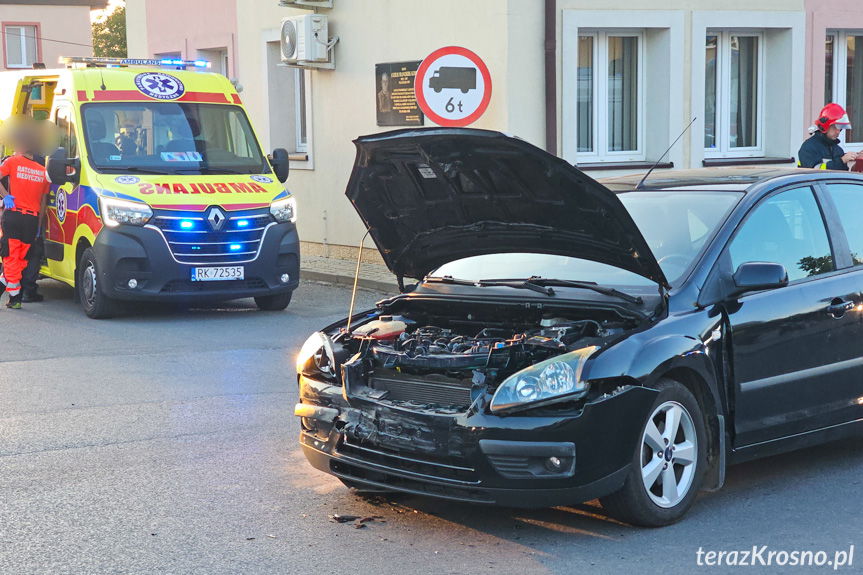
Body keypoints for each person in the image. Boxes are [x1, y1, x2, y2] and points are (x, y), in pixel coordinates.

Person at [0, 120, 50, 309]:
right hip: (31, 220)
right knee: (21, 259)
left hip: (13, 216)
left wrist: (6, 196)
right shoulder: (43, 172)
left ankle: (15, 299)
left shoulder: (13, 161)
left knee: (11, 257)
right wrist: (39, 225)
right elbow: (43, 202)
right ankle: (14, 294)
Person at [798, 103, 863, 170]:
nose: (838, 132)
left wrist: (857, 164)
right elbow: (814, 172)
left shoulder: (838, 150)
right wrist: (841, 161)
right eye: (835, 127)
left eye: (840, 128)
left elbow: (842, 176)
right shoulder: (809, 147)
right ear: (825, 126)